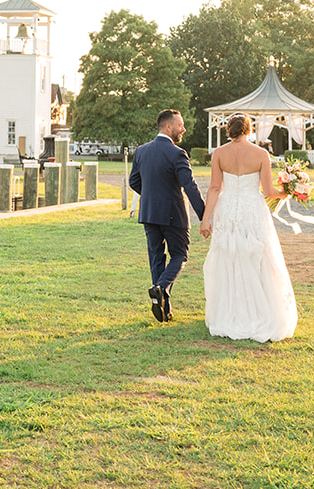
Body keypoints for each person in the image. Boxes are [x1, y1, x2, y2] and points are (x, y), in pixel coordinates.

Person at [198, 113, 299, 342]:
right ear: (249, 129)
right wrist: (288, 192)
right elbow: (269, 191)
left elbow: (214, 188)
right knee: (257, 256)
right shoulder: (261, 154)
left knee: (230, 255)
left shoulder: (219, 154)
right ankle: (259, 311)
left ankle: (230, 312)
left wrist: (206, 220)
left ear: (228, 130)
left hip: (227, 208)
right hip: (252, 209)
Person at [128, 109, 206, 323]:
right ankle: (160, 288)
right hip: (173, 214)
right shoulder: (177, 153)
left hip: (149, 212)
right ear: (169, 127)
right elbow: (189, 186)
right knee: (180, 255)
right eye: (180, 125)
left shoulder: (141, 151)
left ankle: (163, 309)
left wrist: (152, 196)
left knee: (156, 259)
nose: (184, 129)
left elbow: (133, 182)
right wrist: (204, 215)